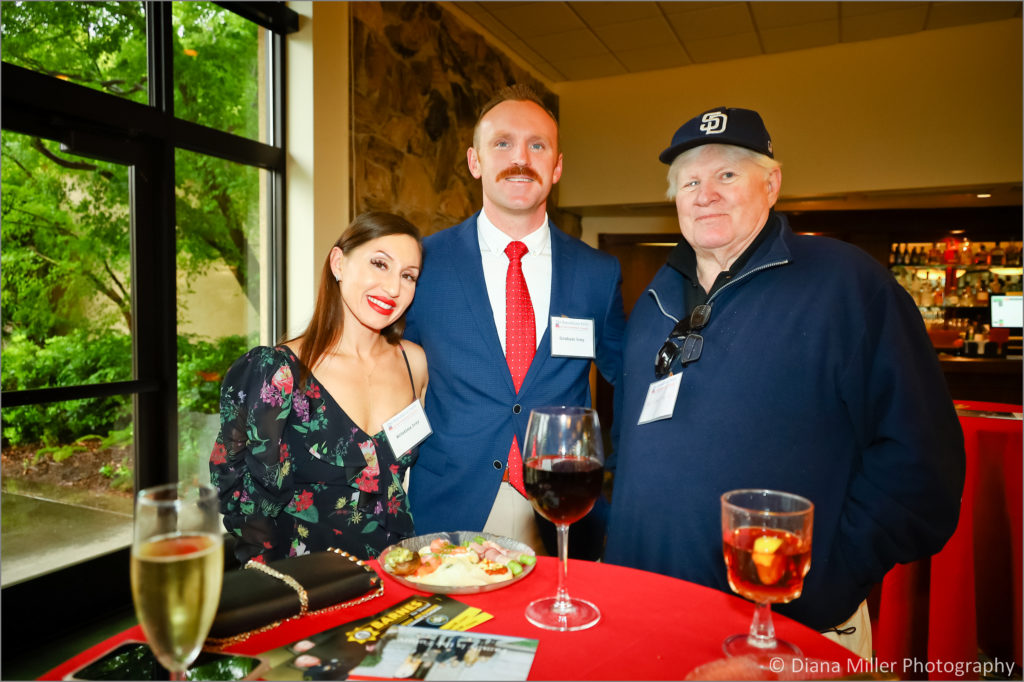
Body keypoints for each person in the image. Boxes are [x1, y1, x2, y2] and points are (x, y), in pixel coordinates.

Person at [604, 106, 965, 657]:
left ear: (771, 184)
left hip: (785, 629)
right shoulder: (654, 300)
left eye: (727, 174)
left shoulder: (848, 286)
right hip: (646, 612)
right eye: (690, 182)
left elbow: (922, 465)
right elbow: (631, 449)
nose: (705, 194)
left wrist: (828, 580)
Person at [404, 84, 625, 553]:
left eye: (537, 146)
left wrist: (623, 477)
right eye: (502, 143)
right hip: (450, 504)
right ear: (475, 161)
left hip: (562, 507)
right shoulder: (424, 263)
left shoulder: (598, 273)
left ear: (557, 167)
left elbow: (627, 383)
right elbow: (389, 367)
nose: (520, 158)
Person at [210, 211, 429, 563]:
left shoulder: (413, 363)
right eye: (379, 264)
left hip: (395, 573)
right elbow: (244, 502)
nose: (393, 288)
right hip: (305, 580)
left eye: (408, 276)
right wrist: (273, 584)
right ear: (338, 263)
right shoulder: (277, 372)